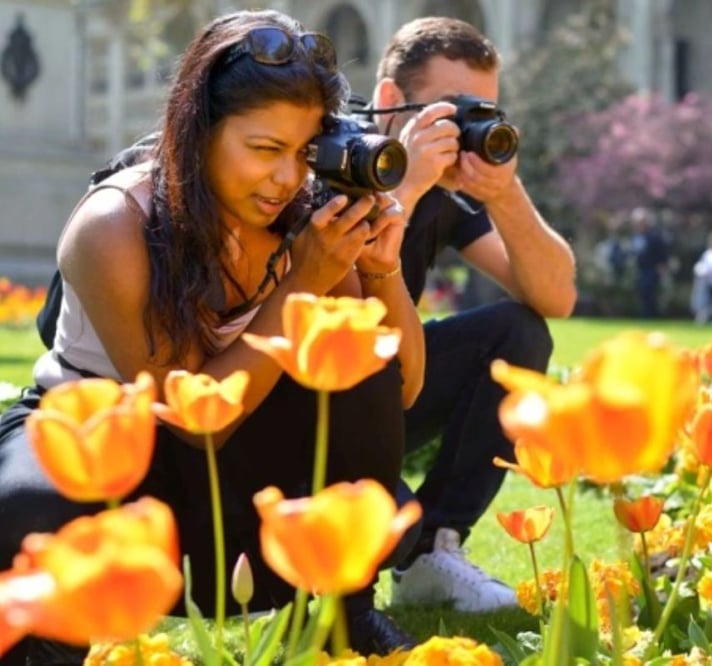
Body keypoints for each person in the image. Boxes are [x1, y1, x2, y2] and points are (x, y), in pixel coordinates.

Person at [0, 10, 424, 663]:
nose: (286, 179)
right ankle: (49, 638)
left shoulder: (305, 217)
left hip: (224, 463)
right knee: (32, 507)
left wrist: (378, 270)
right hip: (95, 435)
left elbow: (398, 385)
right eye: (265, 149)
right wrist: (302, 283)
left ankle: (351, 616)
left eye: (303, 154)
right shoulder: (115, 224)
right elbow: (194, 419)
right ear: (198, 132)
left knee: (359, 373)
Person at [367, 17, 577, 612]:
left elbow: (555, 297)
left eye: (481, 113)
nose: (465, 131)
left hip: (391, 390)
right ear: (391, 100)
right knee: (390, 524)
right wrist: (404, 188)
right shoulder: (337, 159)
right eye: (451, 110)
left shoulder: (446, 187)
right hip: (309, 409)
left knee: (519, 331)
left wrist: (504, 193)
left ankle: (434, 550)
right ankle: (397, 545)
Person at [628, 207, 671, 318]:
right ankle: (645, 313)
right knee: (641, 292)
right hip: (639, 269)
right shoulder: (634, 236)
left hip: (652, 269)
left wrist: (662, 268)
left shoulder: (654, 237)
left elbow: (663, 254)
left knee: (648, 290)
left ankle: (651, 314)